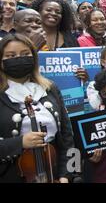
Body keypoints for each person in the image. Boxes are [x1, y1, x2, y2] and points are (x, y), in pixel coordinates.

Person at [0, 34, 74, 182]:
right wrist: (19, 143)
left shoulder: (50, 87)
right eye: (11, 55)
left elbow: (68, 137)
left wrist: (68, 175)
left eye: (26, 54)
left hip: (53, 172)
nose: (19, 58)